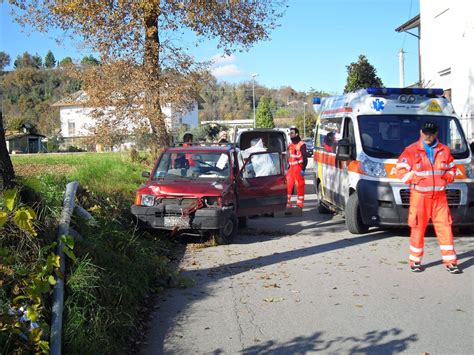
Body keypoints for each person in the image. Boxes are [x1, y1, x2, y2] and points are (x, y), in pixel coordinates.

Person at [396, 121, 461, 274]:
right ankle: (415, 261)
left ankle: (451, 262)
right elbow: (400, 170)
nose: (428, 136)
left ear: (436, 133)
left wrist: (447, 178)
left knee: (445, 228)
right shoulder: (411, 150)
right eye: (425, 132)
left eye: (431, 133)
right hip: (420, 197)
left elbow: (452, 168)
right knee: (418, 228)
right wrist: (414, 179)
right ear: (421, 132)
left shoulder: (444, 150)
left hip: (439, 197)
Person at [287, 127, 308, 209]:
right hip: (291, 168)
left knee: (300, 185)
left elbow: (305, 158)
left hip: (298, 168)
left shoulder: (301, 144)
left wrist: (303, 169)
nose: (290, 135)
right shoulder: (290, 145)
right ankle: (287, 204)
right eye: (290, 134)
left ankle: (299, 204)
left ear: (296, 134)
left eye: (292, 133)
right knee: (288, 185)